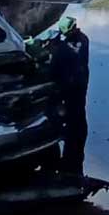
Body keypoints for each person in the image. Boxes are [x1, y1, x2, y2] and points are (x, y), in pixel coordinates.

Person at [44, 16, 90, 174]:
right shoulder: (84, 39)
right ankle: (78, 134)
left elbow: (53, 71)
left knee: (65, 112)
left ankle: (62, 138)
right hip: (82, 81)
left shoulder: (62, 50)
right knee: (79, 112)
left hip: (68, 85)